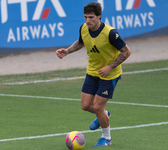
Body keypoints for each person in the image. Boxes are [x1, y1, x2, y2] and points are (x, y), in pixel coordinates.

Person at [56, 2, 131, 147]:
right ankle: (104, 114)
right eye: (85, 17)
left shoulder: (111, 33)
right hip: (92, 71)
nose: (88, 20)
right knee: (85, 106)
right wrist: (67, 51)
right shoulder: (84, 28)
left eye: (91, 17)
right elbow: (81, 42)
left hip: (110, 75)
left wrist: (110, 67)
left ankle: (106, 138)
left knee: (97, 107)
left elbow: (126, 52)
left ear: (99, 16)